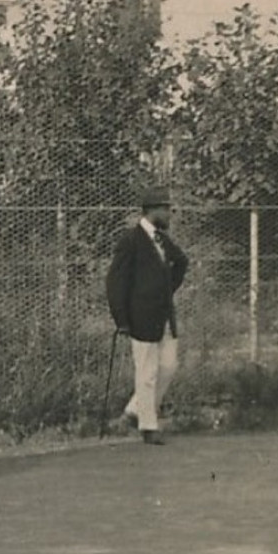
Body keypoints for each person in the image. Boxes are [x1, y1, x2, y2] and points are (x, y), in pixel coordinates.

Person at [106, 185, 189, 445]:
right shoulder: (131, 240)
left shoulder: (162, 240)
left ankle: (134, 409)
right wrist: (121, 319)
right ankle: (148, 426)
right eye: (166, 209)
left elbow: (182, 261)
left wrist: (165, 291)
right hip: (140, 317)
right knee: (147, 371)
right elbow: (115, 282)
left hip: (163, 316)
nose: (170, 215)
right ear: (153, 210)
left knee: (169, 366)